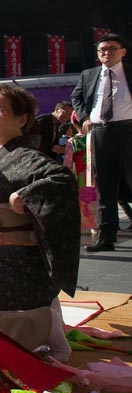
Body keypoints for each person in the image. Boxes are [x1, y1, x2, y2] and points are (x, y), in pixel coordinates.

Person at [0, 85, 80, 312]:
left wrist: (25, 195)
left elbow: (63, 178)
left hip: (21, 270)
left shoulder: (26, 156)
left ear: (21, 120)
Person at [71, 33, 132, 252]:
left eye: (112, 49)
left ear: (122, 51)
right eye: (102, 50)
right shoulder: (89, 75)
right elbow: (76, 98)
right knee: (106, 189)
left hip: (127, 131)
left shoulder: (128, 71)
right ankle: (107, 238)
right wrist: (84, 117)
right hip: (99, 134)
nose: (107, 53)